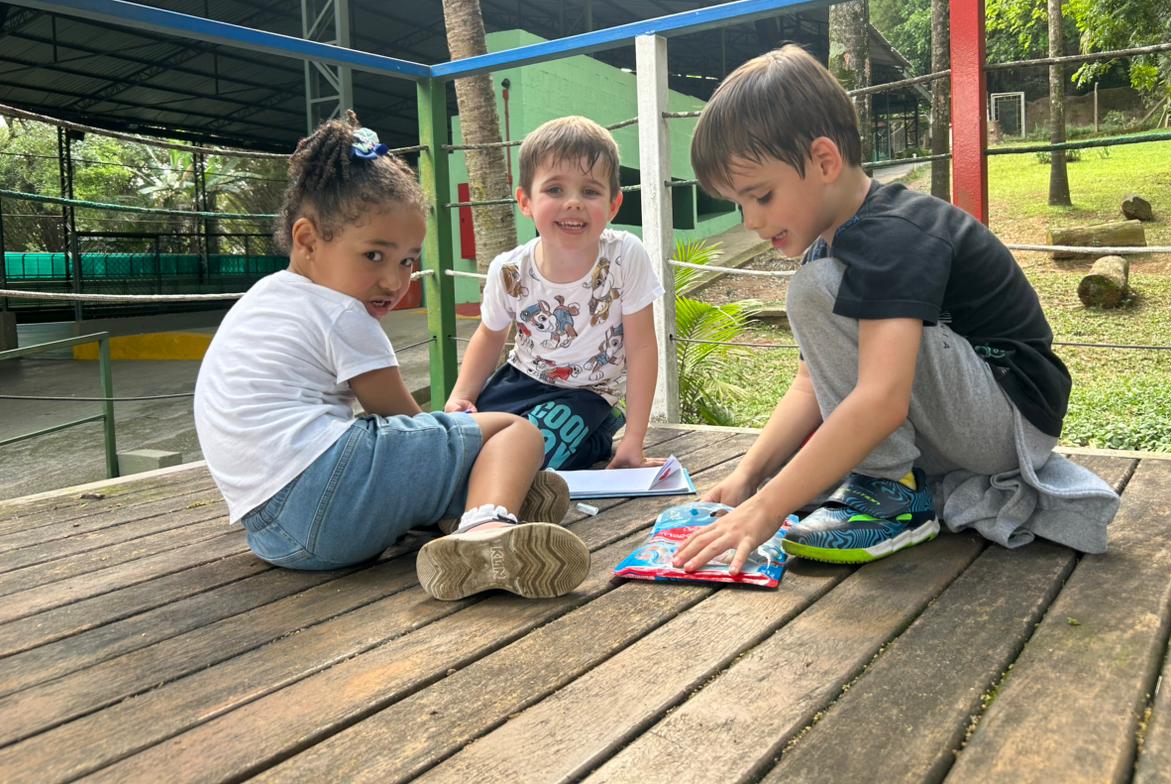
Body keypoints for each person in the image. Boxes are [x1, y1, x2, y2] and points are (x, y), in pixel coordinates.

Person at [672, 45, 1119, 575]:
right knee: (808, 451)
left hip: (1005, 418)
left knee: (814, 292)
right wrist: (748, 479)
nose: (749, 220)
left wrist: (766, 510)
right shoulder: (830, 247)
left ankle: (891, 492)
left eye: (761, 196)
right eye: (739, 203)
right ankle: (889, 480)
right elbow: (809, 386)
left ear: (824, 161)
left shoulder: (893, 234)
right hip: (961, 423)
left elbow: (882, 402)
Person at [194, 112, 590, 601]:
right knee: (515, 432)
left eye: (407, 261)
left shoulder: (264, 297)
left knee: (432, 443)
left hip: (275, 534)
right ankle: (485, 526)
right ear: (308, 240)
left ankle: (463, 505)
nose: (393, 280)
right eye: (373, 256)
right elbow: (402, 417)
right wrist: (461, 434)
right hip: (330, 491)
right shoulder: (343, 312)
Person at [446, 116, 664, 471]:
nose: (574, 202)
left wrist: (634, 441)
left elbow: (641, 348)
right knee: (460, 441)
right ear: (525, 201)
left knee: (535, 454)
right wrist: (461, 396)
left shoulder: (624, 256)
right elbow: (489, 336)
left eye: (590, 191)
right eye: (555, 190)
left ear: (613, 205)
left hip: (588, 393)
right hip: (520, 379)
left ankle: (598, 434)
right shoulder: (509, 270)